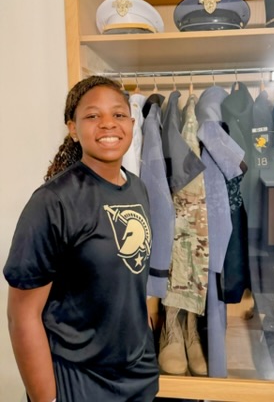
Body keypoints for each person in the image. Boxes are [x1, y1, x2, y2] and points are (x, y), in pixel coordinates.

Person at [3, 76, 159, 402]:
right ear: (73, 128)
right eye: (92, 116)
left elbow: (131, 276)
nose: (107, 124)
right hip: (80, 384)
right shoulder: (53, 202)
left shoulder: (137, 189)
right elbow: (22, 316)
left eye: (118, 114)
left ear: (131, 123)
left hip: (138, 378)